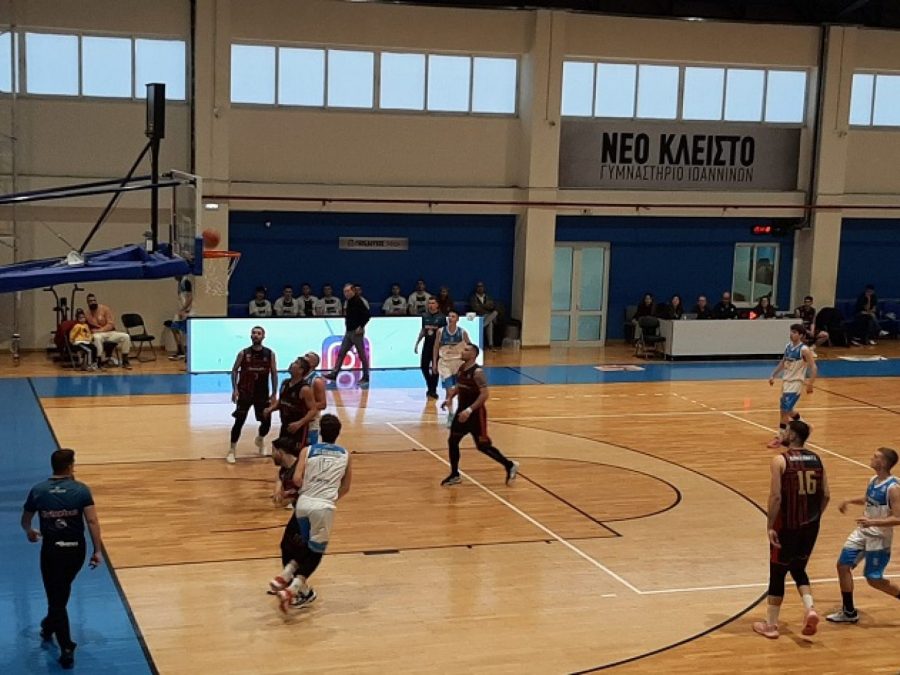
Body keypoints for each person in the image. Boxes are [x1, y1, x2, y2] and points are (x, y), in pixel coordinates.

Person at [20, 448, 105, 669]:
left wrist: (30, 531)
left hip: (52, 552)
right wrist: (97, 550)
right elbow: (92, 521)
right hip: (76, 552)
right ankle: (49, 625)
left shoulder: (38, 490)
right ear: (70, 466)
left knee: (56, 597)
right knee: (60, 593)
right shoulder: (81, 490)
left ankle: (66, 646)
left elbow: (25, 519)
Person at [752, 421, 829, 639]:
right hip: (810, 525)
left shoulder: (780, 460)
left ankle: (771, 625)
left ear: (793, 435)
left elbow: (776, 496)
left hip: (787, 525)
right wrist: (813, 517)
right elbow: (826, 495)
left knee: (777, 572)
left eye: (785, 431)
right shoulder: (817, 459)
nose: (781, 434)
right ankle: (810, 608)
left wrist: (770, 525)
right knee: (798, 567)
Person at [274, 414, 352, 612]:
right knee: (316, 550)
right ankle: (293, 588)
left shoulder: (308, 450)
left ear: (321, 432)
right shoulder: (345, 454)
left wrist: (309, 488)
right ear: (338, 434)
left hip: (303, 503)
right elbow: (346, 487)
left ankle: (287, 573)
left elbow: (297, 479)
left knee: (301, 543)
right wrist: (329, 496)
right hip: (323, 506)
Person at [826, 447, 900, 625]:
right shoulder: (873, 480)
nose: (871, 458)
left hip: (879, 539)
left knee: (873, 580)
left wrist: (872, 522)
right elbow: (869, 499)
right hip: (862, 532)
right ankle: (849, 612)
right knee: (842, 566)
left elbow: (898, 518)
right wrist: (849, 500)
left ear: (883, 463)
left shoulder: (893, 488)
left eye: (875, 457)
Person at [440, 343, 519, 487]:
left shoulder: (477, 372)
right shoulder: (462, 368)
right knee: (453, 441)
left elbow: (484, 394)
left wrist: (469, 410)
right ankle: (454, 474)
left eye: (466, 350)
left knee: (483, 446)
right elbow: (459, 386)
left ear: (473, 355)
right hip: (462, 412)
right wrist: (450, 398)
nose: (463, 351)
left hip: (476, 415)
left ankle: (510, 465)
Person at [228, 326, 278, 464]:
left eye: (259, 333)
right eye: (254, 333)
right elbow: (234, 370)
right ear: (251, 336)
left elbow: (274, 373)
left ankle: (260, 439)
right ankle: (232, 450)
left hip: (262, 393)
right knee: (239, 421)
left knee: (266, 421)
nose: (256, 335)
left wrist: (274, 393)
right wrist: (235, 389)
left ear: (263, 336)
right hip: (245, 392)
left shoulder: (270, 354)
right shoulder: (243, 353)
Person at [767, 324, 817, 448]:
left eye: (794, 332)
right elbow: (783, 362)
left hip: (796, 383)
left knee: (785, 411)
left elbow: (813, 367)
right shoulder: (788, 347)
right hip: (786, 382)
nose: (791, 334)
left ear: (801, 335)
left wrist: (810, 384)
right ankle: (806, 426)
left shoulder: (804, 350)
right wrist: (773, 374)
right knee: (786, 410)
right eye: (791, 331)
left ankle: (780, 438)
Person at [266, 356, 319, 454]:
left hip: (298, 430)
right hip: (285, 426)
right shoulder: (285, 383)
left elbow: (313, 410)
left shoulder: (304, 389)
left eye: (296, 363)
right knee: (281, 453)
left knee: (295, 456)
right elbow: (281, 402)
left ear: (300, 370)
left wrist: (299, 423)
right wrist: (271, 409)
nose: (291, 364)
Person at [323, 284, 370, 385]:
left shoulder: (358, 301)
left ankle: (366, 376)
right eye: (345, 291)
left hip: (356, 332)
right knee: (341, 352)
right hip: (348, 332)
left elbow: (367, 315)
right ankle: (335, 373)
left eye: (348, 291)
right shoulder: (348, 302)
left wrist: (361, 326)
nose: (346, 293)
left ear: (353, 291)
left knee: (361, 354)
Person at [433, 310, 471, 425]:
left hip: (458, 364)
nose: (450, 318)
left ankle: (461, 413)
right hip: (445, 363)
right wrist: (434, 363)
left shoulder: (462, 332)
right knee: (449, 391)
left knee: (459, 390)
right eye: (449, 316)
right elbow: (436, 347)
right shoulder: (441, 331)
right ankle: (450, 415)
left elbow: (470, 347)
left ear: (458, 319)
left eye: (453, 316)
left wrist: (469, 362)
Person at [83, 292, 132, 369]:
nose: (93, 302)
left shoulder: (105, 309)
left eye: (94, 300)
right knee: (96, 338)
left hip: (109, 332)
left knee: (126, 336)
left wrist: (101, 330)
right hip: (98, 334)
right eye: (90, 301)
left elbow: (110, 324)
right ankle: (99, 361)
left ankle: (125, 361)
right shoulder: (86, 314)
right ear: (87, 303)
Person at [414, 297, 445, 400]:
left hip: (437, 346)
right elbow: (423, 330)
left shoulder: (441, 317)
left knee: (435, 368)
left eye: (433, 303)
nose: (431, 305)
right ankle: (430, 384)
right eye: (429, 303)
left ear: (437, 305)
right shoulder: (424, 316)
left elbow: (444, 333)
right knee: (423, 366)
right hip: (427, 344)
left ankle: (433, 390)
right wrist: (417, 343)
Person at [165, 275, 194, 361]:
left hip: (186, 312)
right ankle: (181, 350)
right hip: (181, 311)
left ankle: (185, 352)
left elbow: (190, 298)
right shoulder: (180, 283)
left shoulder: (186, 282)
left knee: (184, 331)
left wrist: (183, 310)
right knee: (174, 328)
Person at [303, 351, 328, 445]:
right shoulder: (299, 378)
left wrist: (302, 406)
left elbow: (322, 404)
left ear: (313, 364)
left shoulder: (316, 381)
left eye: (307, 356)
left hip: (311, 423)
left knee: (308, 451)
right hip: (298, 420)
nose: (303, 357)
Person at [469, 281, 501, 350]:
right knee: (490, 322)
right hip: (479, 316)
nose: (480, 288)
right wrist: (486, 306)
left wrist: (481, 305)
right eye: (478, 286)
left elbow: (491, 306)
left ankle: (481, 327)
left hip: (488, 315)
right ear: (476, 288)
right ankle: (490, 344)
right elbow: (475, 308)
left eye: (481, 286)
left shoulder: (488, 297)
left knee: (495, 313)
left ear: (484, 288)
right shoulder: (473, 298)